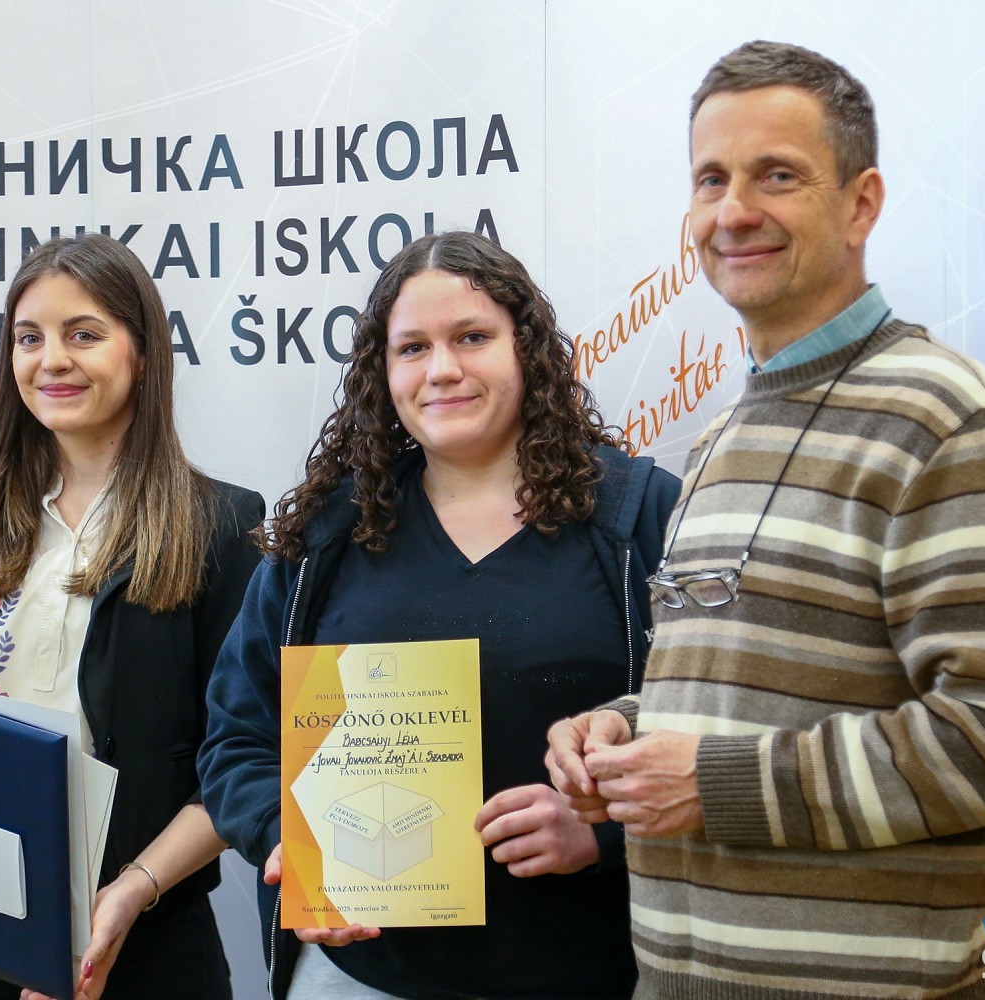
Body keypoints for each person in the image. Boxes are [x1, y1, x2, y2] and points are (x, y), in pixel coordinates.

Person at [546, 41, 985, 999]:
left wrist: (713, 786)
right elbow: (749, 700)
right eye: (712, 179)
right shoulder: (719, 436)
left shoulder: (944, 419)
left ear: (862, 203)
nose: (733, 211)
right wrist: (622, 732)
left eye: (778, 175)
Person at [197, 230, 681, 999]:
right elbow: (237, 740)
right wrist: (287, 835)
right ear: (382, 372)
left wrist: (607, 834)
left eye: (472, 337)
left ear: (527, 350)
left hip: (587, 972)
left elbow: (715, 730)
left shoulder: (637, 519)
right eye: (413, 348)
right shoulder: (327, 536)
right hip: (357, 976)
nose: (442, 369)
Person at [0, 233, 263, 1000]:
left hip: (146, 934)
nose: (52, 360)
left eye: (83, 334)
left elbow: (239, 758)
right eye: (29, 338)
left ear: (142, 353)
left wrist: (131, 891)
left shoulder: (220, 525)